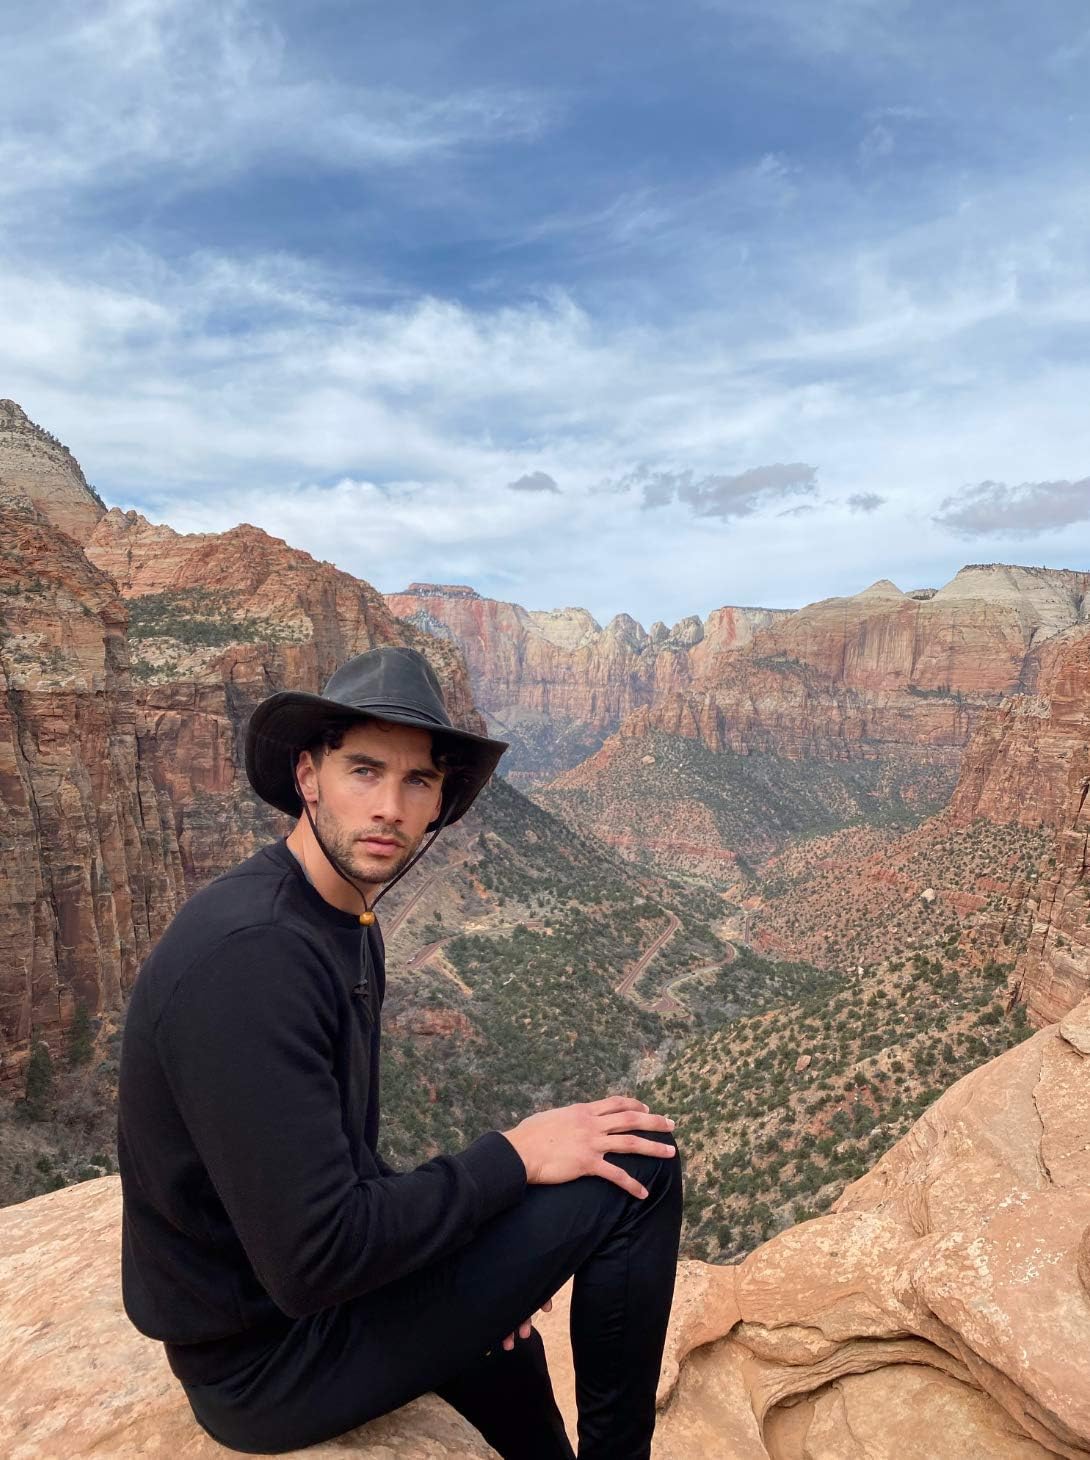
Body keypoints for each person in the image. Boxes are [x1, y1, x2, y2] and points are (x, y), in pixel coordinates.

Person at [117, 645, 682, 1459]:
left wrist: (471, 1261)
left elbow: (343, 1159)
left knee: (508, 1354)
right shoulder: (254, 957)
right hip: (266, 1364)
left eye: (417, 781)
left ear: (439, 802)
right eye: (364, 771)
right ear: (308, 777)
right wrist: (514, 1157)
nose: (388, 806)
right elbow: (316, 1259)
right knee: (645, 1166)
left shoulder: (343, 921)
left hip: (298, 1317)